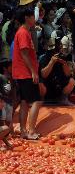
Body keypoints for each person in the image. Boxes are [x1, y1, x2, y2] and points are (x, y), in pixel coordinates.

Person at [12, 8, 41, 141]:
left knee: (24, 102)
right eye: (32, 17)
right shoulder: (23, 33)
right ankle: (31, 131)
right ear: (26, 18)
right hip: (25, 73)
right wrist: (33, 72)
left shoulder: (24, 32)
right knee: (36, 100)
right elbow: (24, 53)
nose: (34, 19)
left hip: (22, 73)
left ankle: (24, 131)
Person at [39, 36, 75, 105]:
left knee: (71, 81)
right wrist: (51, 62)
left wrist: (64, 64)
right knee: (39, 84)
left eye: (60, 46)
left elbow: (68, 74)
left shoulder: (63, 57)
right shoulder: (43, 58)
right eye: (58, 46)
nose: (60, 48)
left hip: (58, 86)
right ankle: (42, 101)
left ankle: (63, 99)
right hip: (46, 86)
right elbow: (43, 75)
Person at [0, 59, 12, 149]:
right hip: (7, 101)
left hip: (7, 101)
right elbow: (8, 90)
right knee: (6, 127)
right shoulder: (4, 78)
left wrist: (8, 144)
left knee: (5, 127)